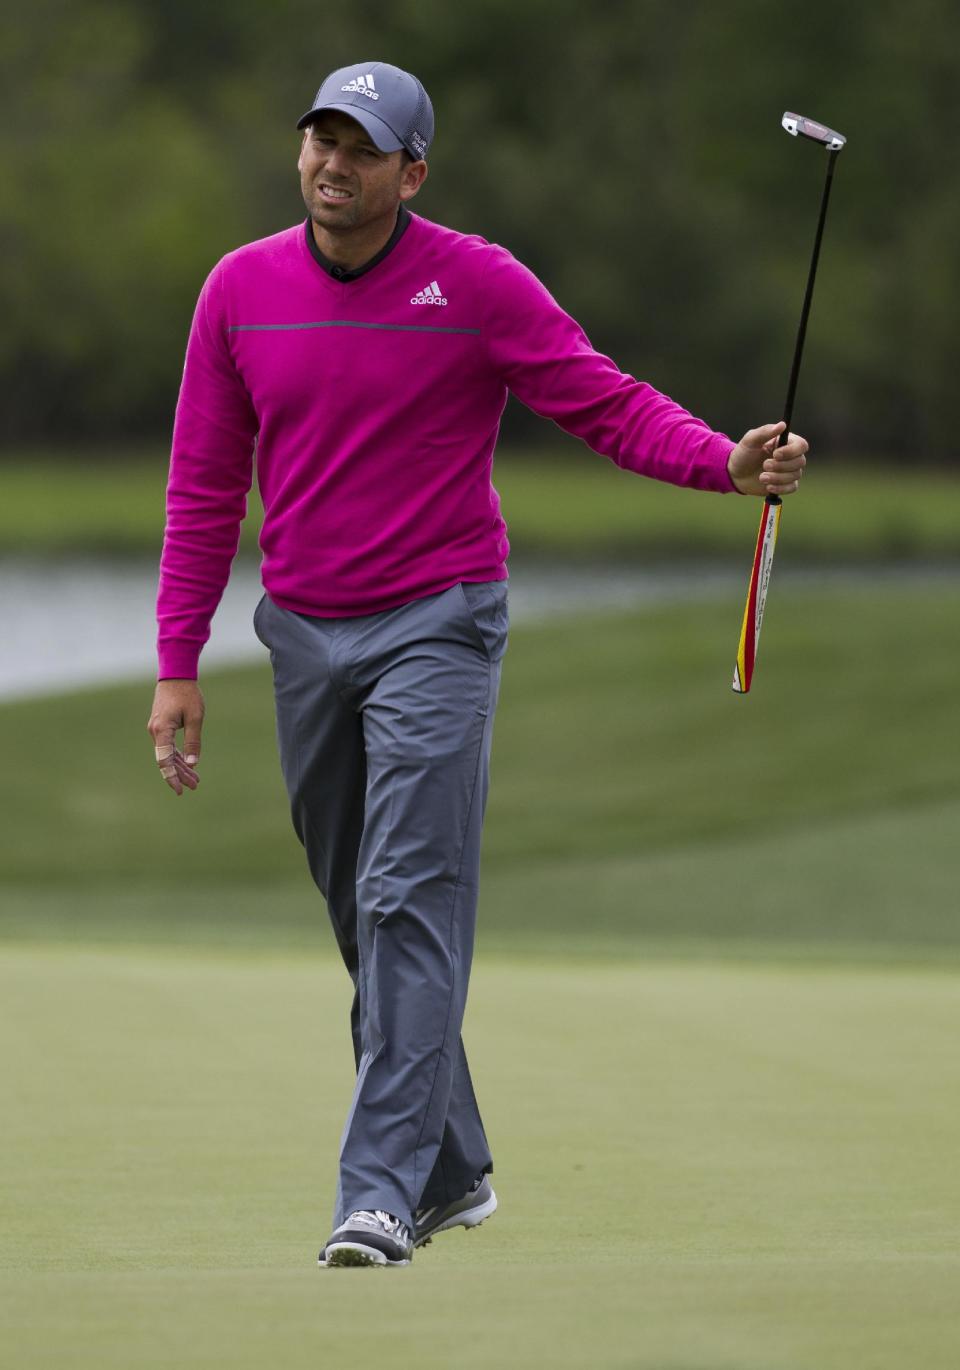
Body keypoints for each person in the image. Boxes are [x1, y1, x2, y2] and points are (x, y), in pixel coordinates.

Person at [148, 61, 808, 1269]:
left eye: (362, 146)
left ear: (413, 171)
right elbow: (202, 485)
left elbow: (604, 402)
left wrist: (723, 462)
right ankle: (453, 1167)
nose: (333, 163)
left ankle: (379, 1193)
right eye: (320, 139)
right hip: (302, 631)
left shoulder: (477, 282)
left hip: (438, 623)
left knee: (408, 897)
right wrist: (176, 659)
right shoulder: (239, 290)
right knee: (362, 905)